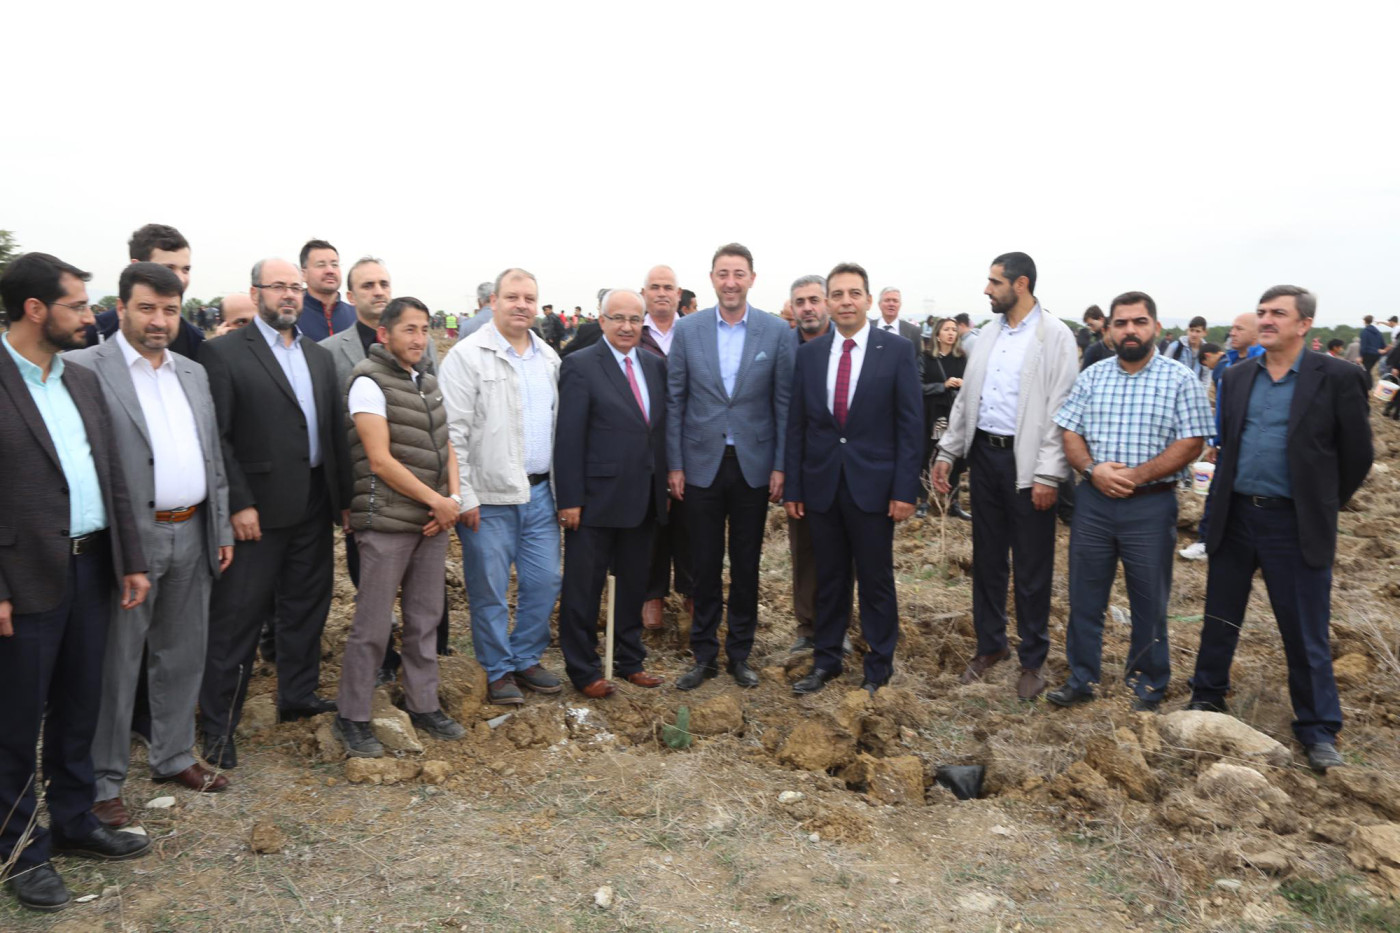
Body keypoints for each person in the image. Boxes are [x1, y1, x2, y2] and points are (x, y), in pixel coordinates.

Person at [0, 252, 152, 912]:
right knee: (14, 721)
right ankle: (19, 850)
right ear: (36, 310)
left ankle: (74, 818)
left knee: (79, 703)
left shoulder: (80, 380)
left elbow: (111, 475)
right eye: (78, 306)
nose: (91, 316)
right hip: (23, 577)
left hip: (92, 568)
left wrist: (130, 558)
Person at [66, 263, 234, 831]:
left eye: (169, 310)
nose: (159, 320)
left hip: (192, 530)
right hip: (125, 541)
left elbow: (211, 455)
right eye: (147, 308)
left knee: (182, 651)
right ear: (120, 308)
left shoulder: (192, 372)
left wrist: (220, 526)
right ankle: (102, 781)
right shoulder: (85, 368)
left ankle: (174, 755)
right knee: (117, 663)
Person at [1187, 286, 1372, 772]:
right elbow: (1229, 443)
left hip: (1294, 523)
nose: (1266, 320)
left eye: (1278, 314)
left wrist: (1320, 502)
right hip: (1236, 515)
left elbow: (1358, 454)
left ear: (1304, 324)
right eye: (1262, 312)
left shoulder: (1338, 376)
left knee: (1304, 627)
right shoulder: (1238, 375)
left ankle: (1318, 728)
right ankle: (1207, 696)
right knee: (1220, 615)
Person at [198, 258, 351, 770]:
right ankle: (218, 726)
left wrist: (343, 500)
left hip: (313, 501)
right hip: (257, 512)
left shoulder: (317, 356)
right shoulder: (223, 353)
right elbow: (217, 436)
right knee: (238, 618)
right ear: (255, 292)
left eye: (295, 287)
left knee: (306, 606)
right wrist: (238, 502)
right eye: (278, 286)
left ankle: (298, 695)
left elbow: (333, 432)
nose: (289, 295)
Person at [1046, 291, 1213, 711]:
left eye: (1139, 322)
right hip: (1094, 502)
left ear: (1155, 327)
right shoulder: (1093, 376)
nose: (1130, 330)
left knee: (1149, 601)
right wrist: (1092, 470)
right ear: (1109, 330)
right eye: (1121, 323)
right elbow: (1070, 431)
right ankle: (1082, 677)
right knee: (1085, 596)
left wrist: (1135, 477)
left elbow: (1192, 442)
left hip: (1150, 506)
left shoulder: (1180, 379)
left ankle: (1147, 683)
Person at [932, 252, 1077, 701]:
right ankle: (990, 644)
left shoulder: (1055, 336)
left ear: (1021, 284)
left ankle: (1033, 659)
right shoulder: (988, 335)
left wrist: (1048, 474)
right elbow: (968, 401)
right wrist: (948, 451)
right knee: (988, 559)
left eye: (994, 282)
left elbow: (1061, 409)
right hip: (985, 458)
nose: (987, 289)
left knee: (1032, 566)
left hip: (1028, 464)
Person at [333, 297, 467, 757]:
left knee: (425, 619)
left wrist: (452, 499)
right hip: (387, 523)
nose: (419, 338)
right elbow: (380, 460)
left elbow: (446, 446)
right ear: (384, 335)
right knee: (372, 625)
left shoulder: (427, 382)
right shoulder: (367, 382)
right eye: (409, 329)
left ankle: (422, 702)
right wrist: (437, 501)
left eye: (424, 329)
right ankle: (352, 716)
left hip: (431, 522)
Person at [785, 263, 922, 696]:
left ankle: (878, 668)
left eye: (854, 293)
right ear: (828, 302)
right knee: (829, 578)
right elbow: (798, 425)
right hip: (822, 486)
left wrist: (905, 489)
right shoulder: (809, 355)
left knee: (875, 581)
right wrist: (794, 487)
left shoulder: (896, 351)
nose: (846, 301)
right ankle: (826, 660)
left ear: (868, 300)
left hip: (874, 489)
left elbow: (910, 426)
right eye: (838, 294)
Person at [667, 243, 792, 690]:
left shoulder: (775, 332)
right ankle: (703, 655)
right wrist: (675, 464)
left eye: (739, 274)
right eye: (723, 274)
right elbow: (676, 399)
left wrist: (780, 465)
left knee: (745, 564)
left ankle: (739, 653)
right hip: (701, 464)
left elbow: (783, 403)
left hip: (752, 466)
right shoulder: (688, 330)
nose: (731, 282)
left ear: (752, 279)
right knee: (703, 565)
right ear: (712, 279)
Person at [439, 268, 563, 706]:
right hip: (488, 499)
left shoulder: (548, 358)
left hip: (540, 494)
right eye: (512, 296)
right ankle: (497, 669)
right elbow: (452, 432)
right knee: (489, 589)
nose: (521, 305)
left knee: (545, 580)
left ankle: (526, 656)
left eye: (529, 298)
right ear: (493, 301)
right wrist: (464, 495)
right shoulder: (467, 356)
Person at [319, 257, 447, 672]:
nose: (378, 291)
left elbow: (437, 429)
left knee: (425, 609)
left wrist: (446, 497)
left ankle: (425, 681)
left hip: (425, 503)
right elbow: (337, 435)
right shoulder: (331, 353)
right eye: (368, 285)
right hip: (371, 501)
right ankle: (374, 677)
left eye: (383, 283)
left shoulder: (423, 355)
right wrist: (344, 499)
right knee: (373, 605)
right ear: (350, 296)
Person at [554, 289, 669, 697]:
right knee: (584, 589)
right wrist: (570, 499)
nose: (626, 326)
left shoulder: (655, 366)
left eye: (635, 319)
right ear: (601, 321)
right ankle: (583, 669)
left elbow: (656, 430)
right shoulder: (580, 365)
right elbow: (569, 437)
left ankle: (629, 659)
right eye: (618, 318)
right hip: (594, 501)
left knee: (634, 584)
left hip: (643, 497)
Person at [784, 275, 853, 654]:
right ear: (792, 308)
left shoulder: (846, 345)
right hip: (802, 466)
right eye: (800, 302)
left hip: (846, 469)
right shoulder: (784, 347)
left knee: (843, 551)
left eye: (814, 299)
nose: (808, 308)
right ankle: (808, 626)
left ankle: (838, 625)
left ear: (826, 302)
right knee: (805, 550)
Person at [1179, 312, 1265, 561]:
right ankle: (1206, 541)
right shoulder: (1228, 364)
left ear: (1256, 333)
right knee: (1217, 493)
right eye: (1232, 328)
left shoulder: (1265, 363)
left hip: (1253, 447)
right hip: (1228, 444)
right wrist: (1215, 442)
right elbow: (1222, 407)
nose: (1232, 333)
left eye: (1240, 329)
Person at [637, 265, 691, 631]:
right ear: (644, 293)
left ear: (678, 294)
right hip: (647, 441)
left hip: (692, 440)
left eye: (667, 287)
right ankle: (652, 595)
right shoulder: (632, 332)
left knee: (692, 523)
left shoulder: (695, 332)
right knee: (652, 520)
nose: (661, 293)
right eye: (654, 287)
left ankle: (691, 592)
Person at [83, 224, 205, 360]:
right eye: (169, 268)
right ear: (136, 266)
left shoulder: (194, 340)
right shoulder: (94, 332)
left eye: (186, 270)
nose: (181, 279)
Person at [922, 317, 968, 519]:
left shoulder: (961, 358)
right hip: (933, 415)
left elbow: (973, 383)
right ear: (937, 334)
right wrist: (943, 385)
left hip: (955, 414)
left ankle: (953, 502)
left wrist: (964, 383)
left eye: (954, 330)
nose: (951, 333)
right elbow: (918, 386)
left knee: (954, 454)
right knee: (930, 453)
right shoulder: (926, 358)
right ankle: (924, 500)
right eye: (946, 329)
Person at [296, 239, 355, 340]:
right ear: (303, 274)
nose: (330, 270)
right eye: (321, 265)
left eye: (334, 265)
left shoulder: (355, 316)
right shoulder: (293, 316)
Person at [1164, 315, 1209, 380]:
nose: (1194, 334)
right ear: (1187, 330)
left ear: (1205, 333)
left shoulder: (1207, 352)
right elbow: (1164, 369)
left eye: (1198, 331)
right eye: (1191, 330)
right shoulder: (1175, 347)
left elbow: (1206, 377)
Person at [1359, 314, 1384, 388]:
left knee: (1366, 371)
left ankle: (1368, 387)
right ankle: (1373, 387)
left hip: (1367, 354)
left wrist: (1361, 356)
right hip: (1377, 355)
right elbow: (1383, 345)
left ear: (1365, 321)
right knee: (1373, 372)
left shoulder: (1364, 331)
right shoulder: (1378, 332)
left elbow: (1363, 345)